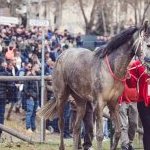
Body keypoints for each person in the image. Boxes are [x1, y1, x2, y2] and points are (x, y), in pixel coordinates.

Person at [128, 59, 150, 150]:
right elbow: (131, 84)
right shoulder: (138, 64)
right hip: (143, 102)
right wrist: (129, 75)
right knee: (148, 127)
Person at [119, 61, 139, 150]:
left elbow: (135, 82)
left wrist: (130, 75)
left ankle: (130, 142)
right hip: (122, 100)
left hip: (134, 100)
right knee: (123, 125)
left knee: (134, 123)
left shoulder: (134, 65)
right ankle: (125, 145)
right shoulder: (119, 67)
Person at [24, 63, 40, 133]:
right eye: (37, 67)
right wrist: (29, 95)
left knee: (34, 113)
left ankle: (33, 128)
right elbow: (25, 88)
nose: (38, 68)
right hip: (30, 97)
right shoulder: (29, 76)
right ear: (33, 67)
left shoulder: (37, 76)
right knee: (29, 112)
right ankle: (28, 128)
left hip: (36, 97)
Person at [0, 57, 12, 138]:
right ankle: (0, 132)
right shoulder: (6, 73)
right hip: (2, 97)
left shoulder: (7, 72)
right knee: (1, 115)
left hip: (2, 97)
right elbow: (10, 86)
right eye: (4, 62)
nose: (5, 64)